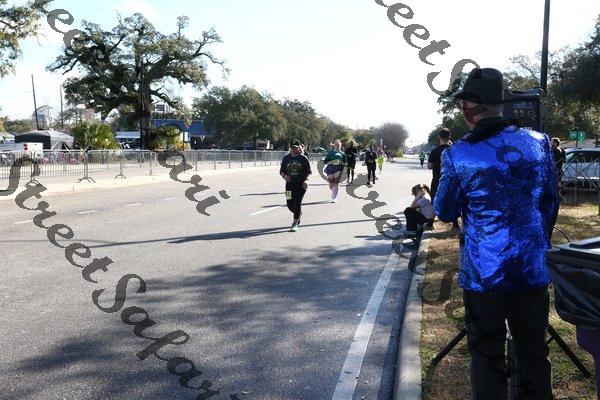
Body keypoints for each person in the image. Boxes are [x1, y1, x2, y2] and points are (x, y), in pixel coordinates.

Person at [434, 68, 559, 400]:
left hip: (483, 274)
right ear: (502, 104)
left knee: (487, 356)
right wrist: (537, 245)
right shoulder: (539, 143)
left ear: (467, 108)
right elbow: (550, 203)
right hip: (531, 269)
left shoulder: (457, 153)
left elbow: (445, 210)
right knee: (533, 351)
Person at [428, 128, 459, 230]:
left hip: (437, 179)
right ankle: (455, 224)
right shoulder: (454, 150)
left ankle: (429, 223)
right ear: (449, 137)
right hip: (452, 180)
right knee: (453, 201)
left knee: (435, 201)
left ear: (439, 137)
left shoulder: (435, 151)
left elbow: (429, 166)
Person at [280, 140, 312, 232]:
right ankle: (298, 214)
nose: (294, 149)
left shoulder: (303, 158)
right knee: (289, 204)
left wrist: (306, 180)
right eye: (292, 147)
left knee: (297, 203)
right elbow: (281, 171)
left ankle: (295, 223)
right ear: (290, 148)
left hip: (301, 185)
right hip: (289, 185)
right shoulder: (286, 158)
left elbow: (309, 172)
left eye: (296, 147)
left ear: (299, 148)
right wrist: (285, 176)